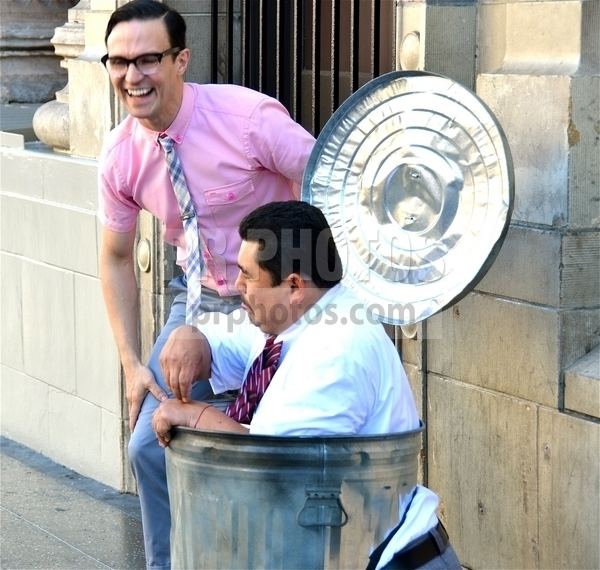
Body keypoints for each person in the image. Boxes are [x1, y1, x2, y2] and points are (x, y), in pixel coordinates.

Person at [96, 0, 315, 567]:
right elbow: (116, 257)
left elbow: (326, 185)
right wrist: (131, 364)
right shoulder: (121, 157)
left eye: (147, 59)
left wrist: (307, 297)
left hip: (276, 299)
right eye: (119, 62)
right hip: (195, 299)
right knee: (148, 444)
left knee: (266, 440)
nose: (132, 76)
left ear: (181, 59)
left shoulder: (249, 119)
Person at [152, 201, 461, 569]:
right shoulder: (293, 318)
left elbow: (268, 462)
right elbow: (220, 339)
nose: (236, 287)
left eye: (248, 276)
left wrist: (193, 415)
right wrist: (191, 336)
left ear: (295, 286)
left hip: (390, 559)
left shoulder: (337, 348)